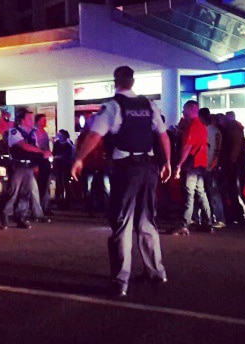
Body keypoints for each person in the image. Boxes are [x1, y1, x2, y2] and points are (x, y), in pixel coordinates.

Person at [71, 66, 171, 297]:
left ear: (116, 81)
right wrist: (167, 162)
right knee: (147, 220)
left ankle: (120, 281)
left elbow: (95, 135)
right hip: (149, 166)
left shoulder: (113, 106)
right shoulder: (148, 105)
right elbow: (162, 134)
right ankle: (157, 271)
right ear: (133, 81)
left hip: (127, 169)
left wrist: (79, 159)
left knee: (122, 223)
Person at [1, 108, 52, 229]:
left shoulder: (32, 133)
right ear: (22, 119)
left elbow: (33, 148)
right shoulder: (14, 131)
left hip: (29, 165)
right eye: (28, 118)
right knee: (13, 192)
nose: (31, 120)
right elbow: (23, 146)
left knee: (26, 193)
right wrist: (42, 152)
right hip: (18, 165)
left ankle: (21, 218)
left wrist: (37, 161)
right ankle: (5, 216)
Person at [172, 101, 212, 235]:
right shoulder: (202, 126)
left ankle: (184, 225)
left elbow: (188, 146)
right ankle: (208, 222)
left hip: (191, 164)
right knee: (201, 193)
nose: (182, 112)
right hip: (201, 164)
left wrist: (179, 165)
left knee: (188, 194)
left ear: (190, 109)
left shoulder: (193, 126)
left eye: (184, 109)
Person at [221, 111, 245, 224]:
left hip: (234, 163)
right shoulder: (236, 128)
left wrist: (232, 160)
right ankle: (239, 214)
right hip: (237, 163)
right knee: (234, 190)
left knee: (233, 190)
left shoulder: (233, 129)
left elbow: (236, 146)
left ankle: (239, 215)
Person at [199, 108, 225, 228]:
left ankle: (218, 218)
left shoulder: (208, 131)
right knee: (211, 192)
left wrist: (211, 163)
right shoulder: (216, 131)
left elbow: (212, 149)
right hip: (212, 165)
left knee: (211, 192)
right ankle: (215, 217)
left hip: (208, 165)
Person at [34, 114, 53, 215]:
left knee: (46, 185)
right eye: (43, 120)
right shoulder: (35, 133)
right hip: (39, 160)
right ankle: (39, 208)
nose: (45, 122)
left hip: (45, 161)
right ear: (38, 121)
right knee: (40, 185)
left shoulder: (44, 132)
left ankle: (45, 206)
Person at [52, 129, 74, 209]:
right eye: (59, 135)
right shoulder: (57, 144)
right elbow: (54, 153)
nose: (60, 137)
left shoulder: (68, 144)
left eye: (61, 135)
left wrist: (58, 157)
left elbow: (67, 155)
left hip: (65, 166)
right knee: (58, 183)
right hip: (58, 165)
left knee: (65, 183)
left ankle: (67, 202)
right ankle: (59, 201)